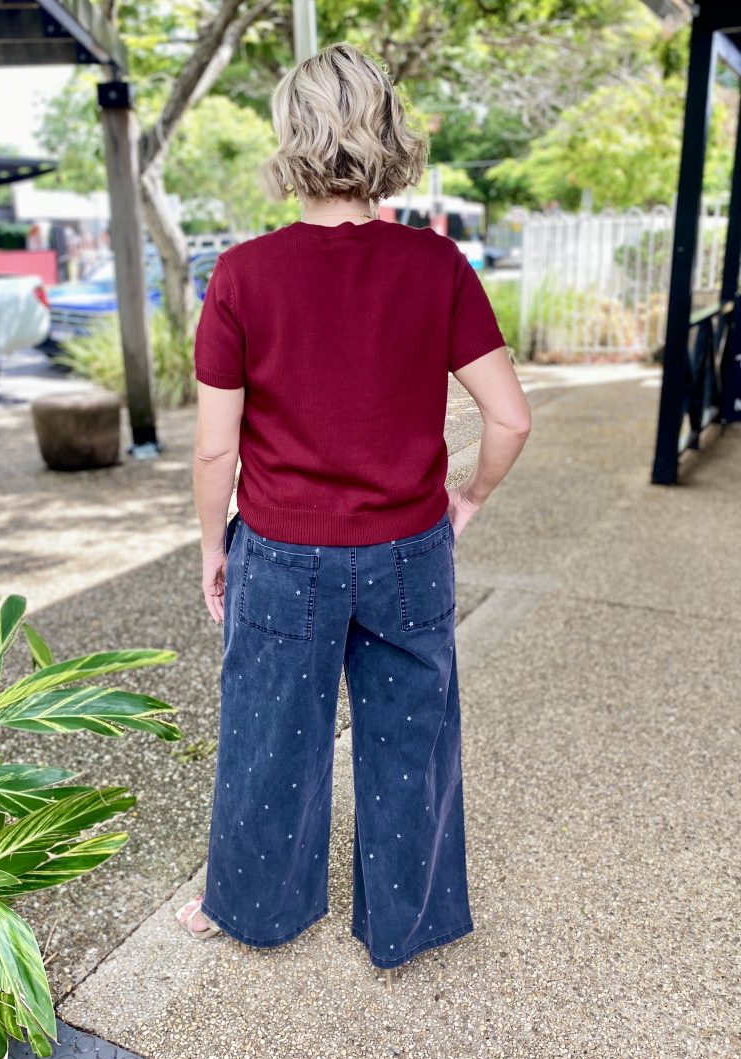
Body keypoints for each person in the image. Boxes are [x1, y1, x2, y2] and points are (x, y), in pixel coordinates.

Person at [177, 40, 532, 989]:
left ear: (289, 138)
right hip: (410, 550)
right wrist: (468, 499)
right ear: (387, 134)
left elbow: (214, 450)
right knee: (412, 735)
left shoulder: (242, 275)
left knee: (267, 735)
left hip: (283, 552)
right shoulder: (438, 265)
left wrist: (213, 545)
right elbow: (510, 417)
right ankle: (407, 921)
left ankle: (252, 905)